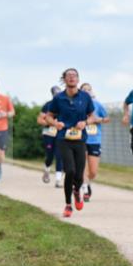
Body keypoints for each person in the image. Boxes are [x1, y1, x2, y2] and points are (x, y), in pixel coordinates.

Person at [43, 68, 98, 218]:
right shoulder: (58, 98)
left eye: (74, 76)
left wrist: (85, 122)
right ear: (64, 79)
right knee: (70, 171)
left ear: (78, 79)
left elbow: (93, 117)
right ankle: (68, 204)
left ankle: (76, 191)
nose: (72, 78)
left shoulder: (85, 97)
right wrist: (55, 123)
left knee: (79, 175)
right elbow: (48, 116)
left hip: (80, 140)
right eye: (69, 76)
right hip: (63, 139)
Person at [80, 82, 108, 202]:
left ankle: (87, 182)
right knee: (83, 165)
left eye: (89, 89)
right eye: (84, 89)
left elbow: (107, 118)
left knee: (93, 171)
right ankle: (85, 189)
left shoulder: (97, 105)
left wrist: (98, 119)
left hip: (95, 140)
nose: (87, 91)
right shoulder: (78, 104)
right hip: (81, 139)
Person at [37, 86, 63, 185]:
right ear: (52, 94)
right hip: (49, 133)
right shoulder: (48, 105)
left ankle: (58, 180)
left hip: (60, 133)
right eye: (55, 93)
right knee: (50, 155)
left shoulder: (65, 105)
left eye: (59, 93)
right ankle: (47, 170)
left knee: (59, 155)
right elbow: (40, 120)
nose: (57, 95)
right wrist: (51, 123)